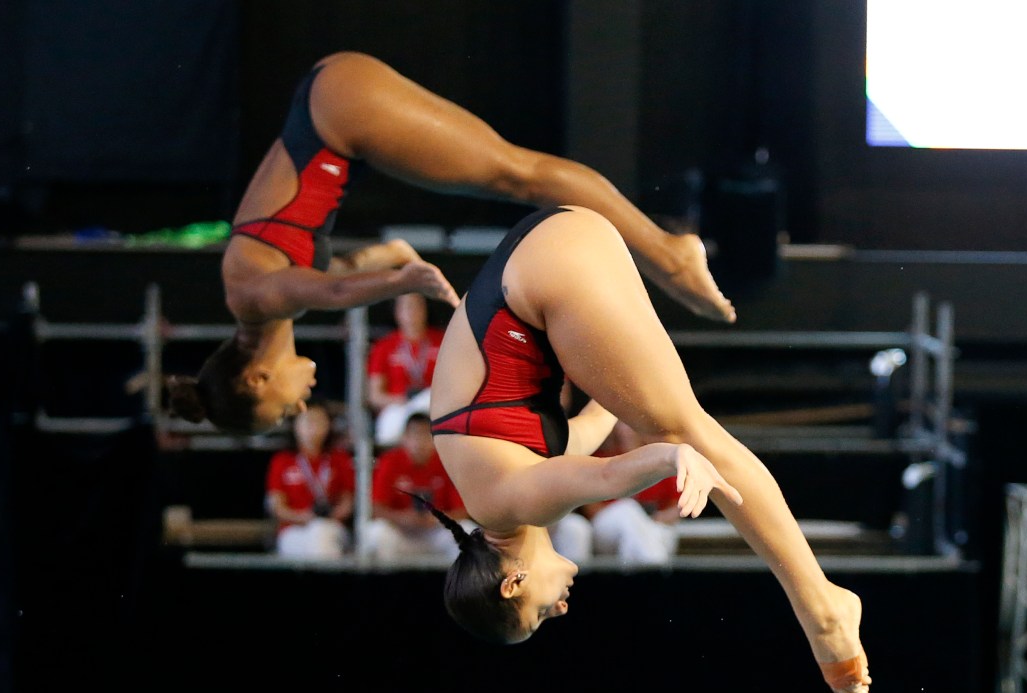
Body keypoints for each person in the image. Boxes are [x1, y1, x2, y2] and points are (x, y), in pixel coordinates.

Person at [425, 205, 871, 693]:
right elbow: (596, 424)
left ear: (513, 584)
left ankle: (822, 611)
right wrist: (647, 401)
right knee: (672, 419)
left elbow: (611, 474)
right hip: (545, 247)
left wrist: (673, 455)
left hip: (544, 274)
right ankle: (672, 260)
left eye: (541, 614)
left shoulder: (512, 504)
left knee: (691, 430)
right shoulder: (502, 484)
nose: (562, 609)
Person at [166, 50, 735, 434]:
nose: (299, 407)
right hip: (334, 113)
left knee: (520, 174)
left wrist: (398, 282)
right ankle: (664, 253)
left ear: (255, 378)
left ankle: (669, 255)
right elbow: (332, 267)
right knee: (516, 172)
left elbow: (333, 286)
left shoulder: (250, 302)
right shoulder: (265, 302)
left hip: (339, 114)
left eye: (281, 409)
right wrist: (390, 263)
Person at [361, 412, 475, 563]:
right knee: (377, 532)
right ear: (404, 438)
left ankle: (458, 585)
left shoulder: (446, 461)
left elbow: (463, 511)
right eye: (415, 435)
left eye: (425, 436)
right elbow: (375, 508)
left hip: (435, 531)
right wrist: (403, 518)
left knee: (468, 531)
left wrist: (438, 518)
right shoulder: (390, 461)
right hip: (402, 531)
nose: (420, 442)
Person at [264, 402, 355, 559]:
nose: (313, 427)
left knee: (321, 533)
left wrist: (330, 516)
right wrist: (305, 517)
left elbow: (347, 502)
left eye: (319, 421)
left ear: (328, 425)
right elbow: (277, 507)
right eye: (307, 421)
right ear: (295, 425)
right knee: (317, 537)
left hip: (332, 526)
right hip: (293, 529)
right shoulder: (282, 461)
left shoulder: (340, 458)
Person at [583, 420, 682, 564]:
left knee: (653, 532)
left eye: (630, 424)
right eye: (621, 424)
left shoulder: (658, 459)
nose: (626, 430)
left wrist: (647, 523)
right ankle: (656, 576)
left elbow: (676, 508)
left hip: (651, 524)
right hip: (605, 530)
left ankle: (641, 579)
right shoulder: (600, 459)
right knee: (627, 510)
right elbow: (592, 510)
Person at [367, 292, 444, 447]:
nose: (412, 312)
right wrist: (408, 400)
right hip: (400, 408)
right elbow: (375, 396)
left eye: (417, 306)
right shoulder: (384, 346)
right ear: (397, 312)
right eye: (407, 306)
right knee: (386, 431)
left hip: (434, 408)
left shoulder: (443, 340)